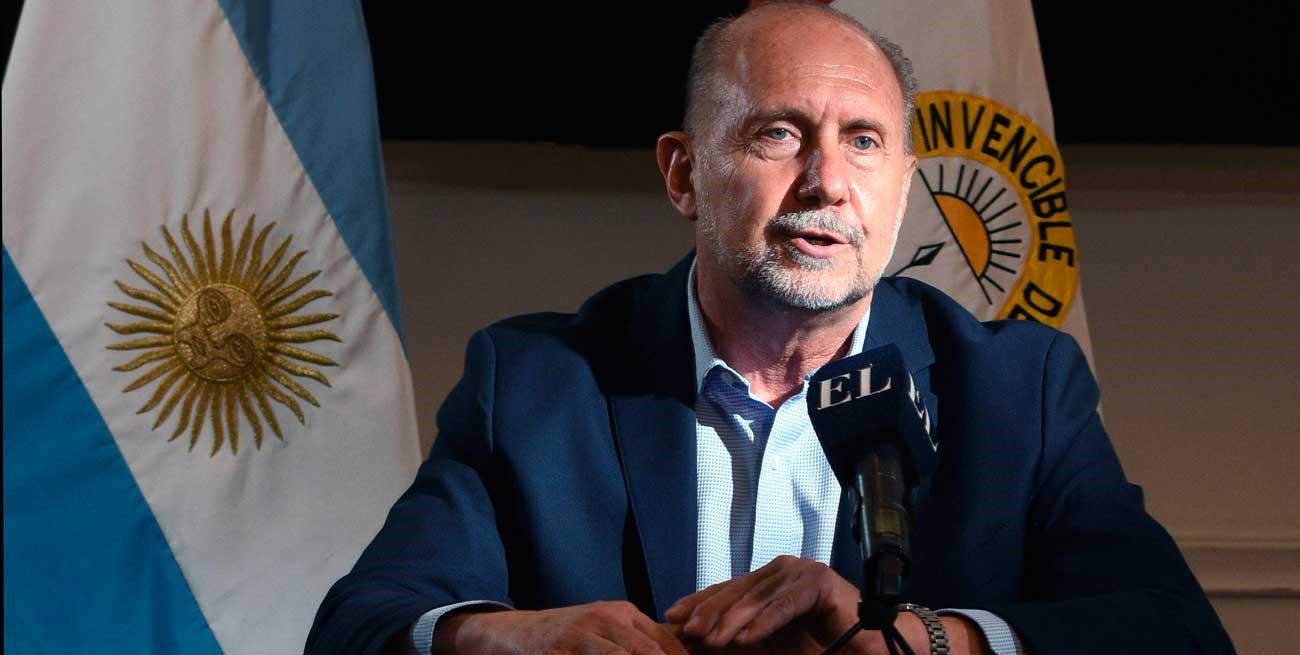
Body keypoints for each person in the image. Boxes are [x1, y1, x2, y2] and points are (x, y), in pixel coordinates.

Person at [307, 2, 1233, 654]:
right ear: (683, 174)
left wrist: (909, 640)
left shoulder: (1017, 389)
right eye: (780, 134)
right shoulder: (537, 382)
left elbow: (1175, 631)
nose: (828, 181)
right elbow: (359, 623)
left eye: (864, 141)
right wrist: (517, 636)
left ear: (903, 189)